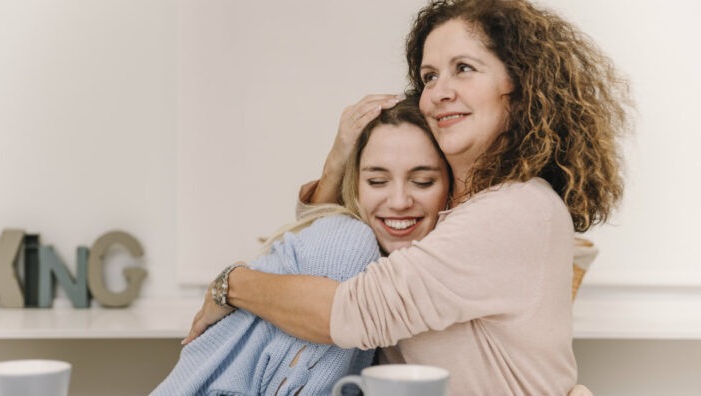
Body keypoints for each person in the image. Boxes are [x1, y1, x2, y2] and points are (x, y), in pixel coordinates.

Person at [184, 0, 630, 395]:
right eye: (429, 76)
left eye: (464, 68)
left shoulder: (517, 208)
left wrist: (231, 284)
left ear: (519, 87)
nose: (438, 91)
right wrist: (339, 160)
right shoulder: (446, 210)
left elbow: (351, 312)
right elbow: (330, 248)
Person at [151, 98, 450, 396]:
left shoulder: (397, 264)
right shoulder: (350, 245)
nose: (399, 202)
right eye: (377, 181)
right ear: (355, 185)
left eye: (422, 182)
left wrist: (230, 283)